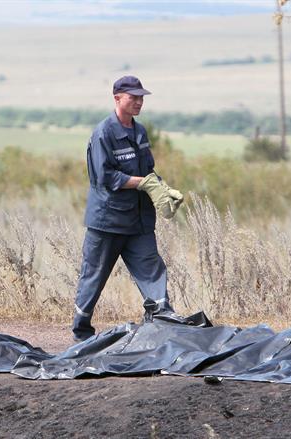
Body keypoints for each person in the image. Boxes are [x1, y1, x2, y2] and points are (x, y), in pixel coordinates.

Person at [72, 75, 184, 342]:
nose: (138, 102)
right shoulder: (103, 133)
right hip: (108, 221)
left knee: (152, 270)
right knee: (94, 276)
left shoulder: (140, 131)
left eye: (141, 97)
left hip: (139, 221)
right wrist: (144, 183)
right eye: (133, 97)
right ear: (117, 98)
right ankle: (81, 332)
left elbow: (147, 169)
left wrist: (161, 186)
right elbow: (105, 177)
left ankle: (162, 322)